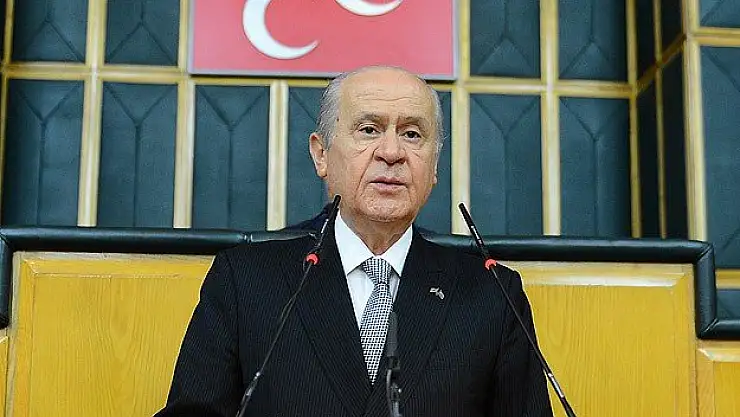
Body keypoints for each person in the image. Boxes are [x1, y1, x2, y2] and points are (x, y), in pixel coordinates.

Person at [156, 66, 552, 416]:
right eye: (369, 130)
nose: (392, 152)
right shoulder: (245, 281)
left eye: (412, 134)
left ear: (434, 165)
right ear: (321, 155)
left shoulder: (492, 295)